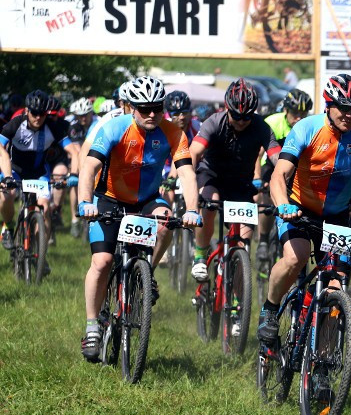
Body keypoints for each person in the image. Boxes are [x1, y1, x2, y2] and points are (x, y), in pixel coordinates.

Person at [256, 74, 351, 346]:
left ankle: (323, 358)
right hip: (298, 208)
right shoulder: (306, 128)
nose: (349, 114)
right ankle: (269, 309)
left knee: (337, 285)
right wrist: (283, 205)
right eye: (343, 108)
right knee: (295, 257)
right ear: (328, 104)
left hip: (337, 217)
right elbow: (279, 175)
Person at [76, 76, 201, 361]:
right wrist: (85, 202)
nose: (152, 114)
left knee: (166, 221)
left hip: (146, 200)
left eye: (157, 108)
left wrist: (192, 210)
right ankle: (92, 326)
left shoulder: (172, 132)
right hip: (109, 198)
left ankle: (147, 274)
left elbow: (186, 172)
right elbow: (90, 166)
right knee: (102, 262)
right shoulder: (115, 127)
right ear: (132, 107)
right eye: (144, 109)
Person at [189, 78, 281, 282]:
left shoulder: (261, 127)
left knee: (243, 244)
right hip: (212, 176)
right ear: (227, 108)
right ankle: (200, 256)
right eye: (236, 116)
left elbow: (277, 157)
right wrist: (189, 183)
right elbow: (194, 152)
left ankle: (238, 296)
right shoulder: (214, 122)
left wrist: (287, 173)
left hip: (240, 182)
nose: (241, 121)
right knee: (210, 202)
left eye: (246, 116)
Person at [0, 90, 81, 250]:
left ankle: (40, 254)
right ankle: (8, 226)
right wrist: (7, 176)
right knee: (6, 195)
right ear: (27, 111)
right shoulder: (16, 124)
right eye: (34, 113)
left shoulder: (52, 127)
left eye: (42, 114)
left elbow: (74, 152)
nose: (38, 117)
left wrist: (73, 174)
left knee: (44, 207)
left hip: (39, 173)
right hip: (15, 170)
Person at [257, 88, 314, 262]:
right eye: (295, 113)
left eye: (303, 114)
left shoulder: (310, 126)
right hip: (271, 165)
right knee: (268, 195)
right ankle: (263, 239)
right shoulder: (273, 122)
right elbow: (258, 154)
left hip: (298, 168)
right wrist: (257, 178)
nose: (299, 118)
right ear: (286, 110)